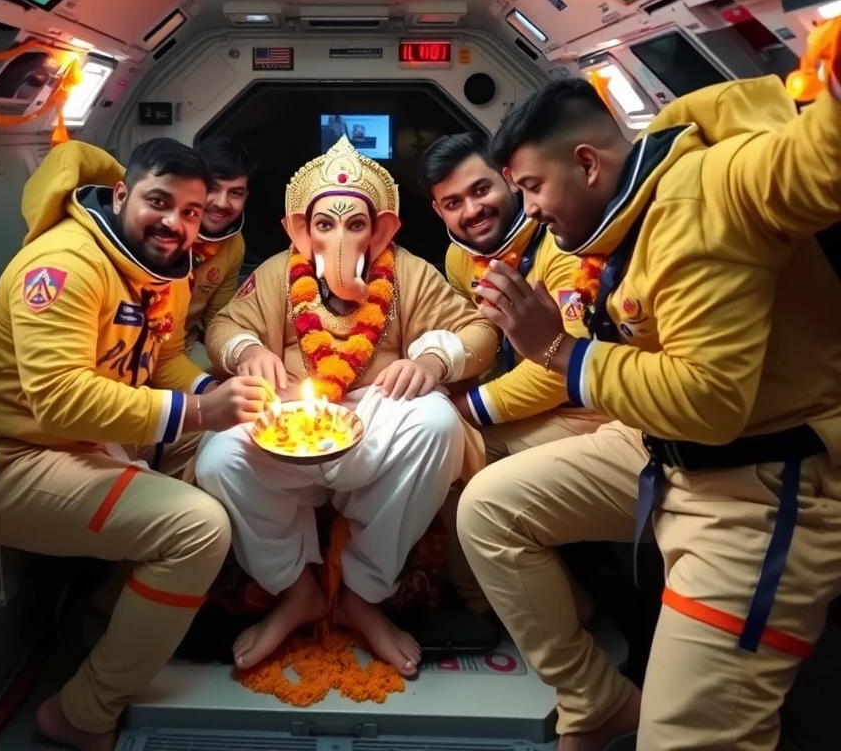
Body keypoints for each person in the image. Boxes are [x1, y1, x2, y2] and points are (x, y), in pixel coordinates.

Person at [455, 0, 841, 751]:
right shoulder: (614, 228)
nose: (525, 209)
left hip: (763, 483)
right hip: (657, 450)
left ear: (587, 163)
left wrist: (553, 352)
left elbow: (711, 402)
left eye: (528, 188)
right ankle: (597, 702)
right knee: (487, 509)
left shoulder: (721, 181)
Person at [0, 139, 276, 751]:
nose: (175, 223)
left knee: (227, 453)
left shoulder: (163, 265)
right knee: (198, 529)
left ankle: (107, 621)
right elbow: (58, 398)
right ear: (122, 195)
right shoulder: (65, 265)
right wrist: (198, 410)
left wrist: (224, 394)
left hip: (72, 445)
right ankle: (84, 713)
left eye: (191, 212)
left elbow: (159, 356)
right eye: (159, 202)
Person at [195, 136, 497, 676]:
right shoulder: (275, 275)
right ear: (301, 229)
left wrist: (431, 360)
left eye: (355, 225)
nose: (339, 237)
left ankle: (362, 593)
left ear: (378, 229)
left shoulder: (407, 272)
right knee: (218, 458)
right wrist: (250, 352)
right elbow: (223, 325)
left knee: (436, 423)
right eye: (325, 225)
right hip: (288, 428)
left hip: (376, 420)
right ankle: (296, 591)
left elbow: (478, 330)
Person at [418, 132, 606, 614]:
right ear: (439, 212)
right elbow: (474, 334)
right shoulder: (461, 257)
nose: (471, 211)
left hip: (588, 411)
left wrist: (468, 408)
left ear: (508, 180)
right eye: (453, 202)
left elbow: (562, 364)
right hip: (524, 405)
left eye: (481, 191)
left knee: (453, 458)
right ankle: (483, 599)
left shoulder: (562, 249)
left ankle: (556, 612)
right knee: (435, 442)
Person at [189, 136, 254, 362]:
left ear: (246, 196)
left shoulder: (235, 244)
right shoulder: (166, 230)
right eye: (212, 189)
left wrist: (245, 351)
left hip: (186, 346)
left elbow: (218, 320)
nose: (222, 202)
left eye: (235, 193)